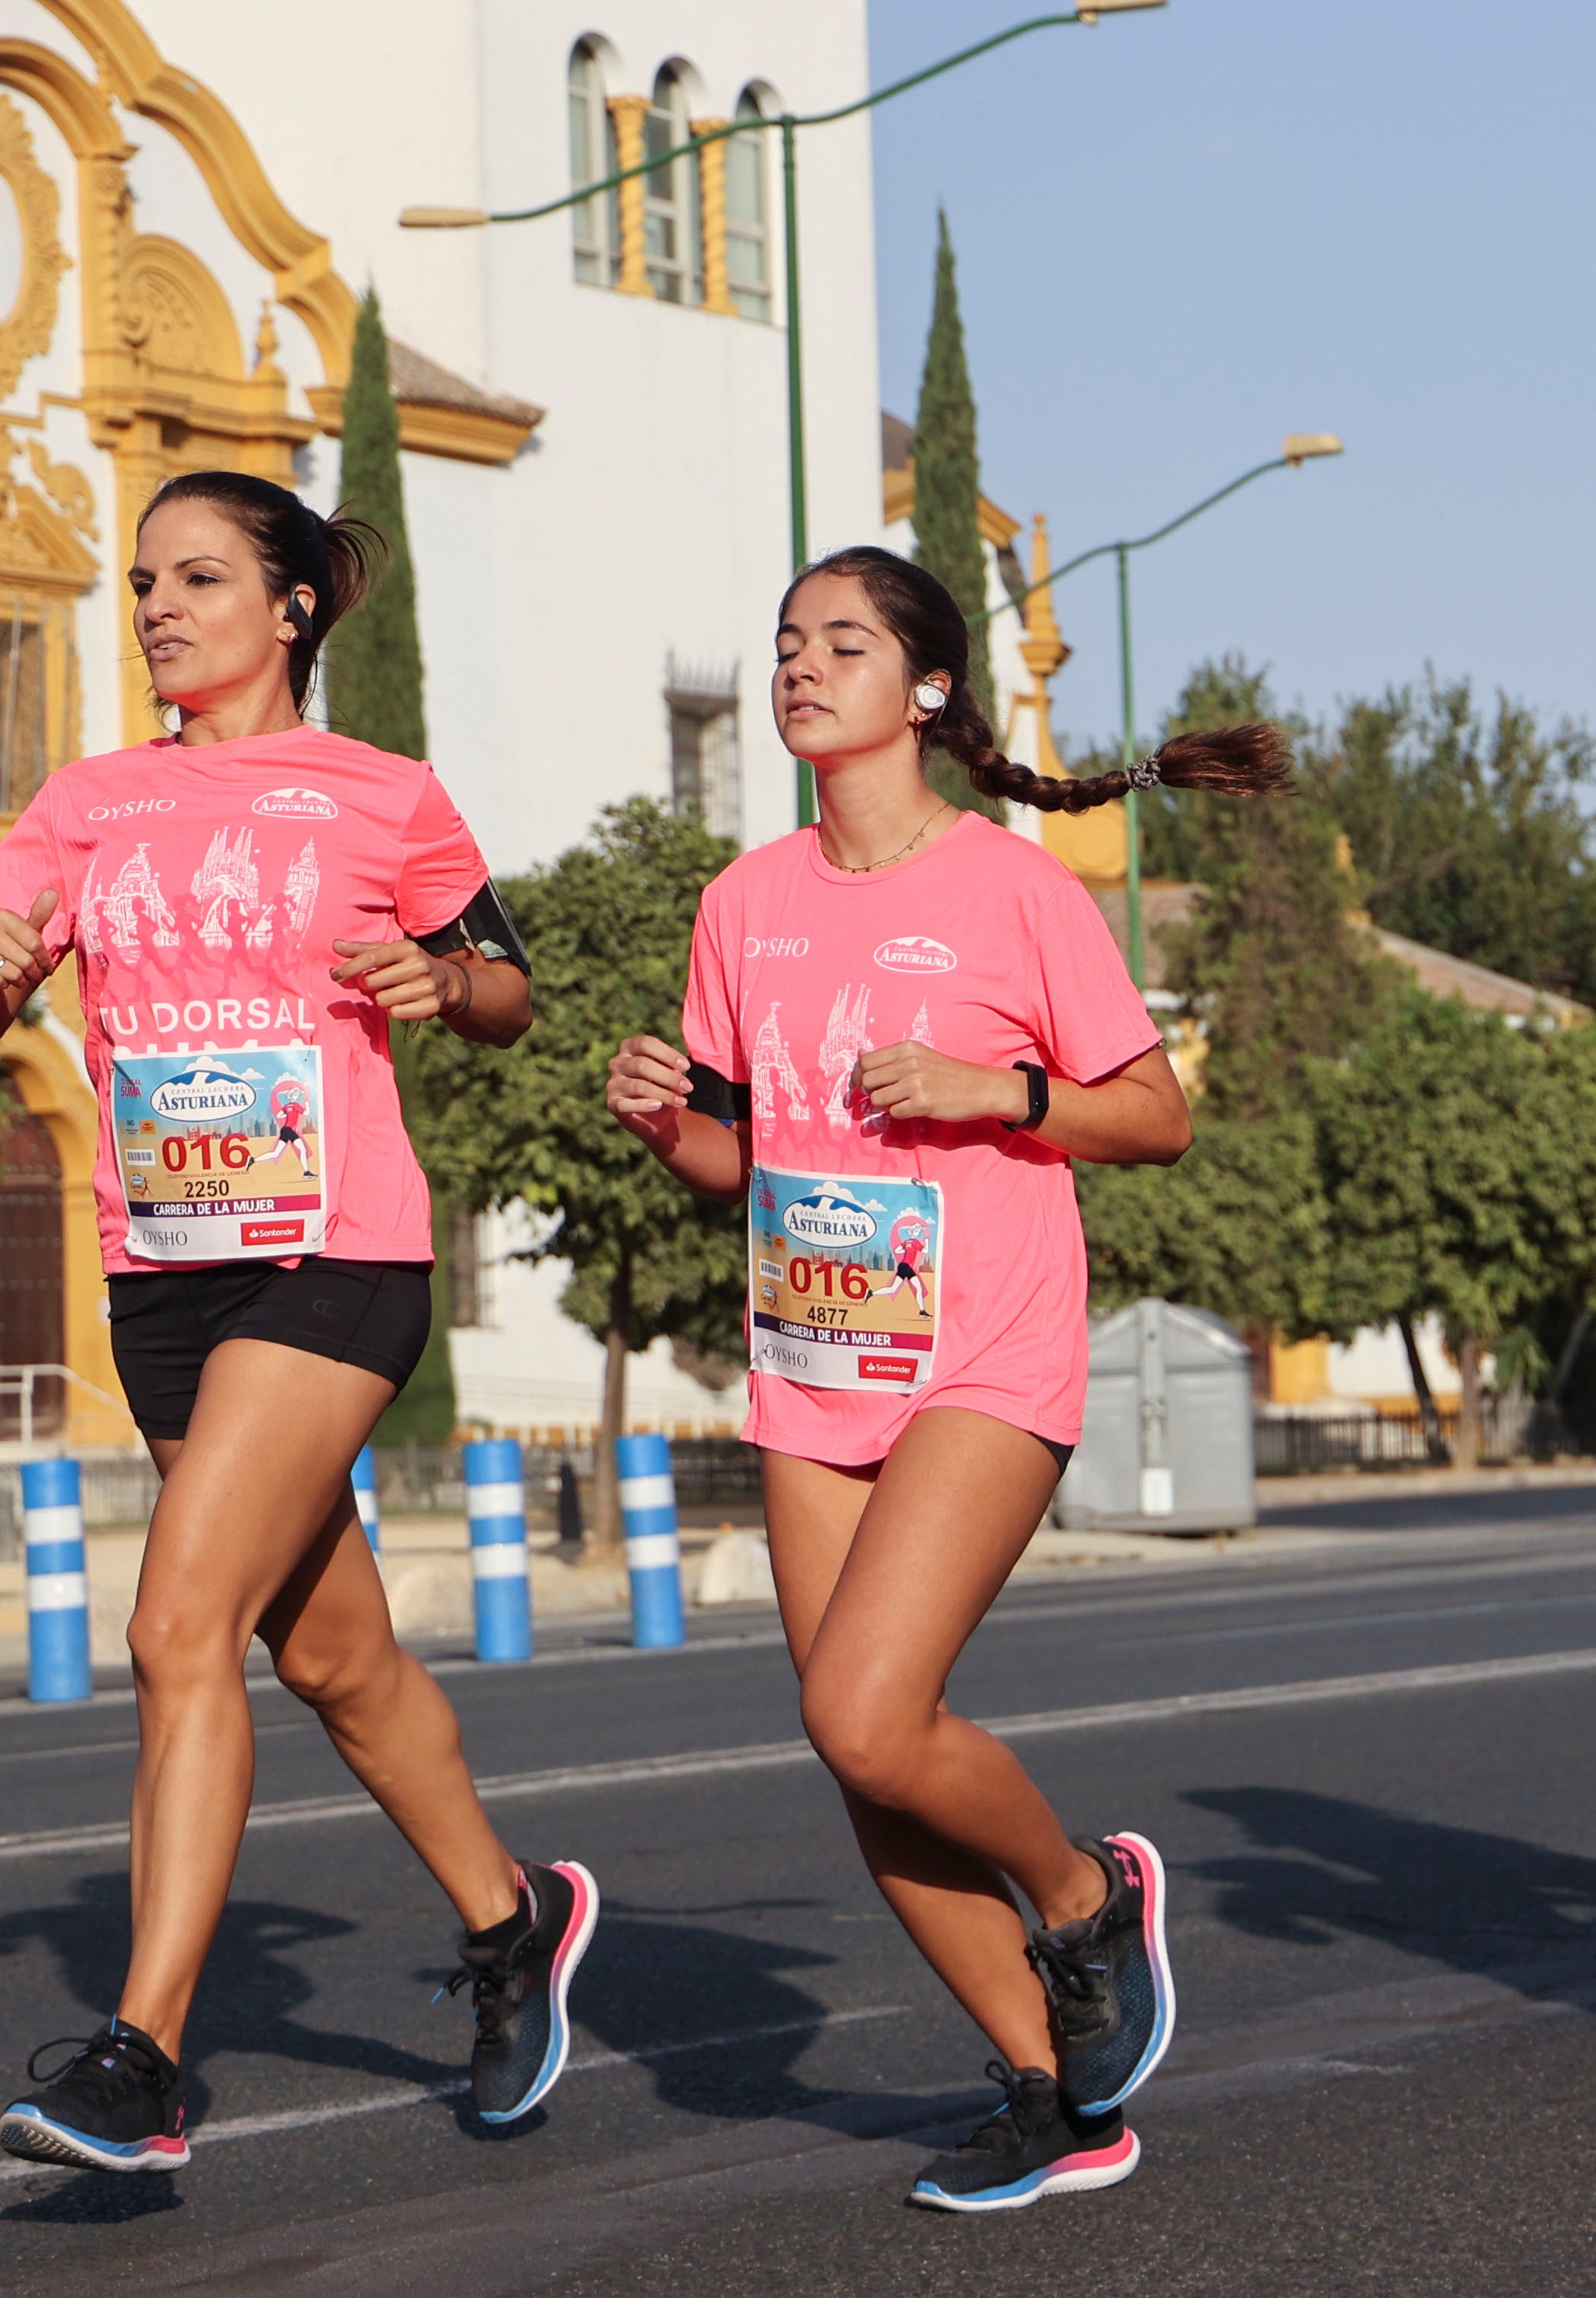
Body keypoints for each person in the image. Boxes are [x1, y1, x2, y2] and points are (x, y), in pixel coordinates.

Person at [604, 545, 1286, 2213]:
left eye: (841, 642)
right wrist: (661, 1121)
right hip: (814, 1351)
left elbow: (1156, 1113)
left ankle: (1082, 1895)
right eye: (784, 642)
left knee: (859, 1703)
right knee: (863, 1751)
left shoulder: (1014, 891)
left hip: (986, 1345)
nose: (799, 665)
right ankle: (1058, 2097)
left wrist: (1002, 1090)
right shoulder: (741, 905)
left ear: (924, 688)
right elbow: (737, 1154)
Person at [0, 472, 589, 2173]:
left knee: (178, 1628)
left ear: (291, 605)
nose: (159, 606)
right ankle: (514, 1922)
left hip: (334, 1250)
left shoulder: (381, 797)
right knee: (330, 1656)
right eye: (145, 580)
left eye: (200, 577)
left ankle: (142, 2059)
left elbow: (508, 990)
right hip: (164, 1266)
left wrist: (445, 984)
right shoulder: (82, 803)